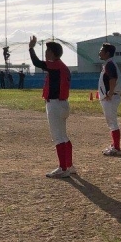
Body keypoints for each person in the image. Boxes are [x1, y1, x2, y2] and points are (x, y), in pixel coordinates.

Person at [28, 36, 74, 178]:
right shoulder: (62, 67)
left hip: (55, 105)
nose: (46, 53)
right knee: (64, 136)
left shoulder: (55, 65)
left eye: (48, 51)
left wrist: (31, 48)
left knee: (58, 137)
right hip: (62, 104)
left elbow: (36, 63)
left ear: (53, 53)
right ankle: (69, 166)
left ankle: (63, 168)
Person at [98, 42, 121, 156]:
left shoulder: (110, 64)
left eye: (101, 50)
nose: (99, 52)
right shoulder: (108, 64)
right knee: (111, 122)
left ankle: (116, 148)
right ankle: (114, 145)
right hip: (110, 97)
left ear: (107, 53)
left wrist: (110, 93)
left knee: (112, 123)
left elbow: (113, 79)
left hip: (111, 98)